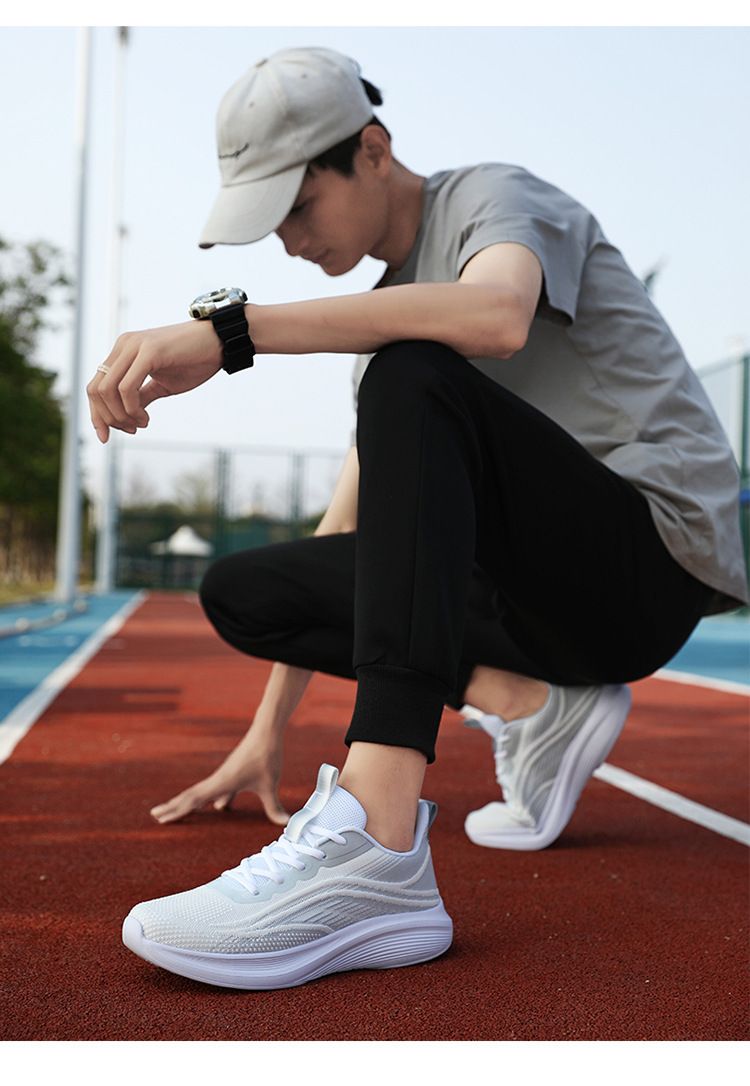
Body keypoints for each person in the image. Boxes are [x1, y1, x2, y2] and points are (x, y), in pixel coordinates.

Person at [88, 46, 748, 990]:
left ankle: (379, 841)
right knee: (246, 589)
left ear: (372, 149)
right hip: (528, 601)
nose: (289, 242)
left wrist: (235, 333)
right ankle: (530, 701)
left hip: (647, 565)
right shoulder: (385, 330)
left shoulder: (495, 197)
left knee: (411, 365)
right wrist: (267, 730)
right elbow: (353, 540)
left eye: (298, 207)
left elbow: (498, 314)